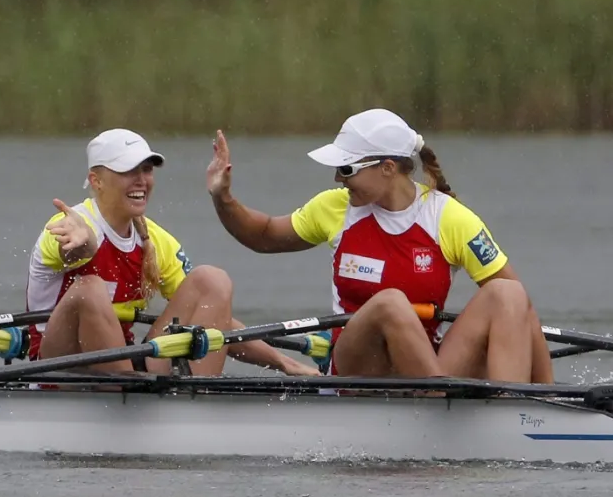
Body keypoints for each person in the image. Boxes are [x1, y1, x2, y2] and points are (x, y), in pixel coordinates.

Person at [205, 108, 551, 382]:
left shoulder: (449, 218)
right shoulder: (334, 207)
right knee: (390, 304)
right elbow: (263, 236)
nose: (338, 179)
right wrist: (224, 198)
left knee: (508, 294)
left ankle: (514, 413)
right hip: (356, 367)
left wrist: (551, 401)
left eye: (346, 168)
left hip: (425, 364)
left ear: (387, 168)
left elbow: (522, 312)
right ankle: (439, 397)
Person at [29, 128, 316, 376]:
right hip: (57, 365)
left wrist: (285, 363)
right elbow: (75, 250)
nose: (141, 180)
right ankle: (128, 398)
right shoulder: (66, 225)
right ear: (96, 181)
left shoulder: (154, 239)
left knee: (211, 281)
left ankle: (194, 402)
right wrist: (86, 246)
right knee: (89, 288)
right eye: (128, 171)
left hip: (121, 361)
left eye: (146, 169)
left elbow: (217, 319)